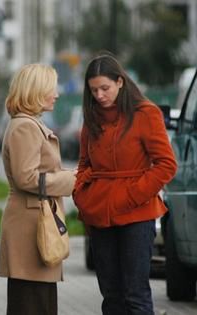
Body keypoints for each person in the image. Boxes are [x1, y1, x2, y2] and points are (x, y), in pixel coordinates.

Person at [73, 53, 178, 314]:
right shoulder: (91, 118)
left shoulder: (146, 113)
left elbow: (166, 165)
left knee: (136, 294)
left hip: (136, 214)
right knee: (111, 295)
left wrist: (132, 195)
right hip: (99, 213)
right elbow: (84, 165)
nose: (99, 95)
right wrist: (82, 195)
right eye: (94, 90)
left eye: (105, 88)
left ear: (120, 82)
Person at [0, 64, 76, 315]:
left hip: (34, 223)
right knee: (32, 304)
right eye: (52, 89)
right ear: (36, 91)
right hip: (29, 228)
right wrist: (72, 180)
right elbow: (26, 177)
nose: (57, 94)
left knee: (37, 302)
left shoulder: (28, 124)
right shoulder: (25, 127)